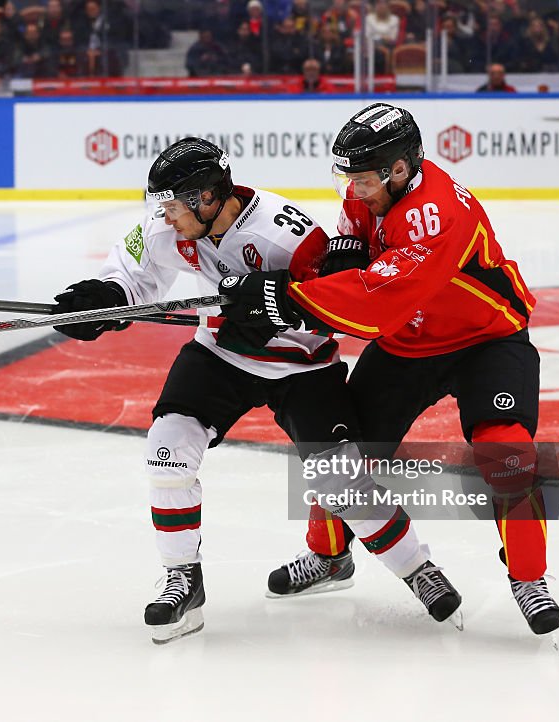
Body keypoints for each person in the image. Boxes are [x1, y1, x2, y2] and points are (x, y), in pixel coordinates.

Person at [51, 137, 462, 643]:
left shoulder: (285, 235)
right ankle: (184, 580)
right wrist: (105, 300)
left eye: (177, 203)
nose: (167, 214)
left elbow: (337, 305)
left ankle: (417, 569)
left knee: (341, 482)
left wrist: (270, 314)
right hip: (220, 355)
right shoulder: (168, 227)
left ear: (207, 197)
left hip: (301, 363)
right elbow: (134, 276)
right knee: (167, 452)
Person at [220, 104, 559, 636]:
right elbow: (354, 258)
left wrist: (286, 300)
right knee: (340, 449)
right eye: (347, 179)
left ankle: (528, 577)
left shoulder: (436, 212)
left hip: (486, 340)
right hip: (410, 344)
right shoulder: (368, 196)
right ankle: (331, 556)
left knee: (506, 449)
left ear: (400, 169)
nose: (352, 191)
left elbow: (383, 296)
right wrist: (311, 271)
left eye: (362, 179)